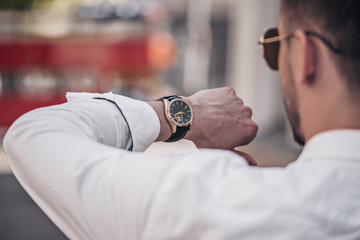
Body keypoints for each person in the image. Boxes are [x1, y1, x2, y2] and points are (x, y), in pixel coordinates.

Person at [4, 0, 360, 239]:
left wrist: (180, 114)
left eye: (274, 46)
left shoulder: (210, 200)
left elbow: (33, 134)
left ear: (305, 56)